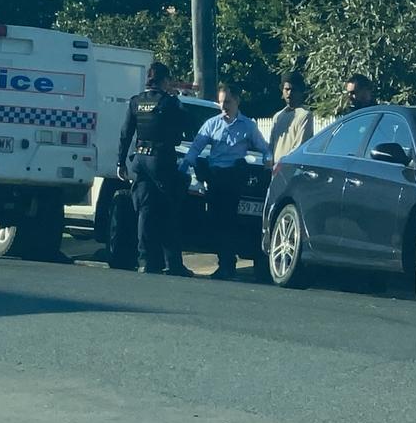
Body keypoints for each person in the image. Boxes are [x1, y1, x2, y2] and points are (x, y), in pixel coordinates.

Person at [180, 83, 272, 280]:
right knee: (216, 222)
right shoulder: (212, 124)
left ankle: (228, 264)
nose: (224, 106)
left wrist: (268, 161)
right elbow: (196, 147)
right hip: (215, 178)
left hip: (234, 178)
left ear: (237, 101)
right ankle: (223, 263)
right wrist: (186, 164)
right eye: (221, 102)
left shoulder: (248, 126)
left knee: (229, 222)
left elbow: (264, 149)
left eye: (228, 102)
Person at [117, 62, 193, 277]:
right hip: (161, 160)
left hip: (140, 159)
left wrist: (120, 163)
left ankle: (145, 261)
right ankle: (173, 263)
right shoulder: (169, 103)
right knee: (169, 211)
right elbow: (187, 123)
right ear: (165, 80)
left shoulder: (136, 102)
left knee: (145, 212)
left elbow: (125, 134)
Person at [269, 72, 314, 163]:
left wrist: (283, 163)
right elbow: (272, 145)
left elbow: (300, 146)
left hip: (293, 167)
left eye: (293, 90)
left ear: (300, 92)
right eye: (287, 89)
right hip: (276, 169)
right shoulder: (278, 116)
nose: (289, 93)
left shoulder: (304, 115)